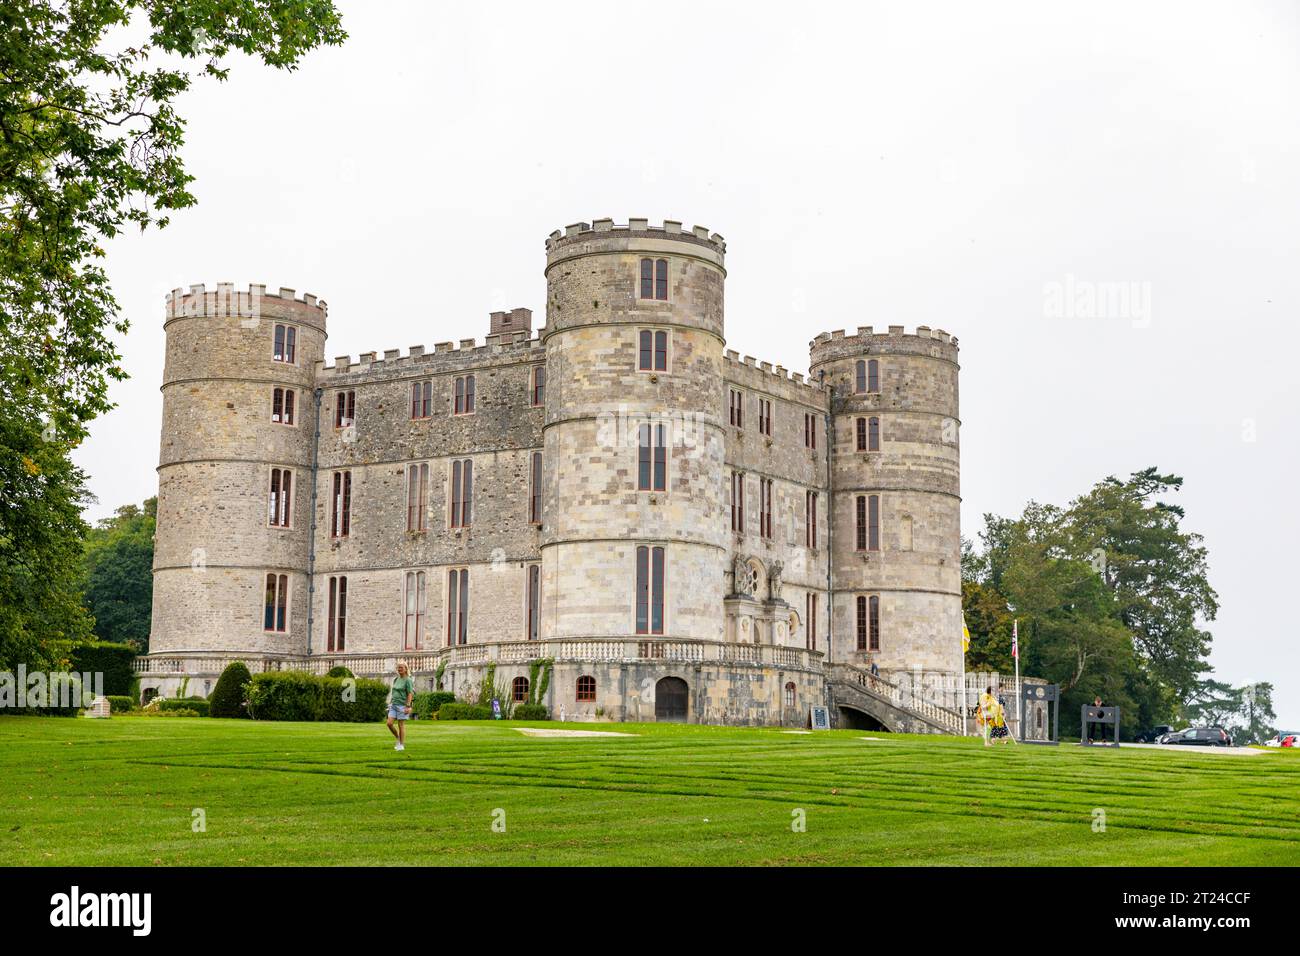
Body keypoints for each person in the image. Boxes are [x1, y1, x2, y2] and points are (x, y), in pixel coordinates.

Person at [386, 662, 414, 751]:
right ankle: (398, 738)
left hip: (402, 706)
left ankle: (401, 745)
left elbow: (410, 693)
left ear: (406, 669)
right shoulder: (396, 679)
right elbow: (394, 692)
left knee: (400, 725)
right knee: (389, 723)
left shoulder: (408, 680)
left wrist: (408, 706)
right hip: (394, 705)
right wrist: (390, 703)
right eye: (398, 668)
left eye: (401, 667)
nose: (399, 669)